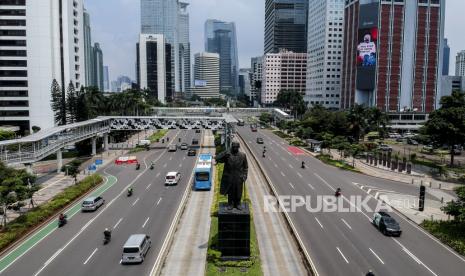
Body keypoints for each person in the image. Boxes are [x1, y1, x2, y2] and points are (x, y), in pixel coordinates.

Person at [216, 141, 248, 210]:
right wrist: (225, 153)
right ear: (231, 147)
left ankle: (238, 204)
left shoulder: (243, 155)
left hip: (239, 177)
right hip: (229, 177)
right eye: (233, 147)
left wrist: (245, 175)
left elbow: (246, 167)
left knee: (238, 191)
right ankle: (230, 204)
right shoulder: (227, 155)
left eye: (236, 147)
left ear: (238, 147)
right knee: (231, 192)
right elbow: (217, 158)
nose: (235, 148)